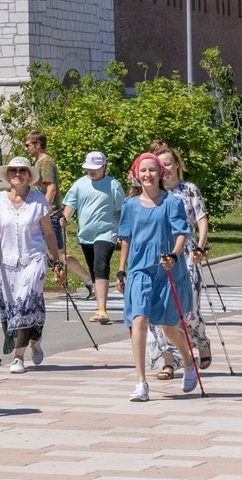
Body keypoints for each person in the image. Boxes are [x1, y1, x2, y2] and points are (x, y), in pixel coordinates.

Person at [116, 154, 199, 402]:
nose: (148, 175)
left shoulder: (171, 203)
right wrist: (121, 269)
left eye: (153, 170)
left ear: (160, 174)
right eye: (143, 171)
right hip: (140, 268)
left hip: (167, 268)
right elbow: (126, 238)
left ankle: (187, 360)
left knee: (169, 327)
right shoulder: (130, 205)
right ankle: (141, 382)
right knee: (138, 320)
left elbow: (181, 233)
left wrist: (174, 256)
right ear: (136, 174)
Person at [0, 155, 64, 372]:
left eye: (22, 171)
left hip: (34, 259)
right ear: (8, 176)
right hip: (7, 263)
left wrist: (56, 261)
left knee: (23, 303)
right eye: (13, 171)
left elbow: (48, 232)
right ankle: (34, 338)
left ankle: (18, 357)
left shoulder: (38, 200)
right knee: (13, 308)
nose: (17, 174)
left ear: (29, 176)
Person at [151, 144, 212, 379]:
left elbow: (201, 219)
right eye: (160, 165)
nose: (164, 169)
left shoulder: (189, 189)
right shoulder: (153, 192)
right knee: (160, 311)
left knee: (189, 309)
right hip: (160, 255)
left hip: (186, 252)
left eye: (168, 164)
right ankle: (169, 360)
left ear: (177, 165)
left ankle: (201, 339)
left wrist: (200, 245)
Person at [61, 151, 127, 322]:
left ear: (104, 167)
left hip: (107, 232)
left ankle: (102, 309)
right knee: (93, 269)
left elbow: (122, 210)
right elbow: (70, 205)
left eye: (96, 168)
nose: (92, 171)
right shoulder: (79, 184)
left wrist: (122, 231)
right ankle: (99, 307)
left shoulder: (113, 184)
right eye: (89, 168)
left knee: (101, 265)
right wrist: (65, 218)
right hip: (86, 233)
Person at [24, 129, 60, 217]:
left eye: (28, 145)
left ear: (37, 145)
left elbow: (51, 190)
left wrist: (43, 214)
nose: (26, 149)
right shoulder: (38, 162)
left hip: (49, 217)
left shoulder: (45, 162)